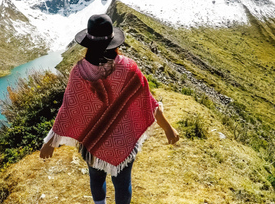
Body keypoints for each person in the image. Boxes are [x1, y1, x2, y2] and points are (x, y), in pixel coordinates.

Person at [40, 14, 179, 204]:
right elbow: (150, 104)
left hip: (92, 141)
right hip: (123, 141)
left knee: (96, 178)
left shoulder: (79, 72)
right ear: (114, 42)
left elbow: (68, 109)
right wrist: (168, 128)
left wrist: (50, 142)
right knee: (122, 184)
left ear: (88, 43)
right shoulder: (129, 68)